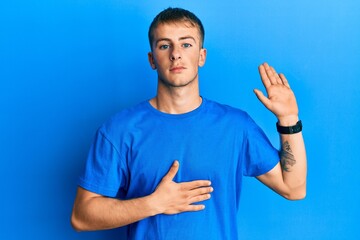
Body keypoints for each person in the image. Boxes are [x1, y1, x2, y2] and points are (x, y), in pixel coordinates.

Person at [71, 7, 307, 239]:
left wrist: (288, 120)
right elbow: (81, 217)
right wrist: (154, 203)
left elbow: (293, 188)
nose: (176, 54)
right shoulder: (119, 130)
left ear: (201, 56)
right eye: (165, 45)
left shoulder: (236, 126)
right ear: (152, 59)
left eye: (186, 44)